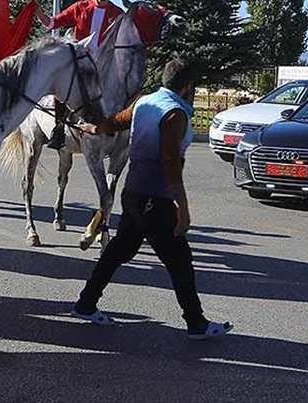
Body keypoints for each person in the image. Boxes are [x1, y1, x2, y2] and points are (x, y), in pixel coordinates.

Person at [71, 57, 232, 340]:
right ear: (189, 86)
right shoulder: (174, 113)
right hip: (154, 198)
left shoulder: (147, 101)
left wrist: (92, 128)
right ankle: (196, 323)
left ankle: (86, 303)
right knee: (179, 260)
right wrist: (182, 207)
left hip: (133, 193)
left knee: (120, 250)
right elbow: (170, 159)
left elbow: (114, 122)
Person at [35, 0, 123, 149]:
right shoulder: (81, 8)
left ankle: (117, 130)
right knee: (63, 87)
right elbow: (53, 22)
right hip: (80, 63)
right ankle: (58, 130)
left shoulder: (118, 14)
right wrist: (38, 13)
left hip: (104, 65)